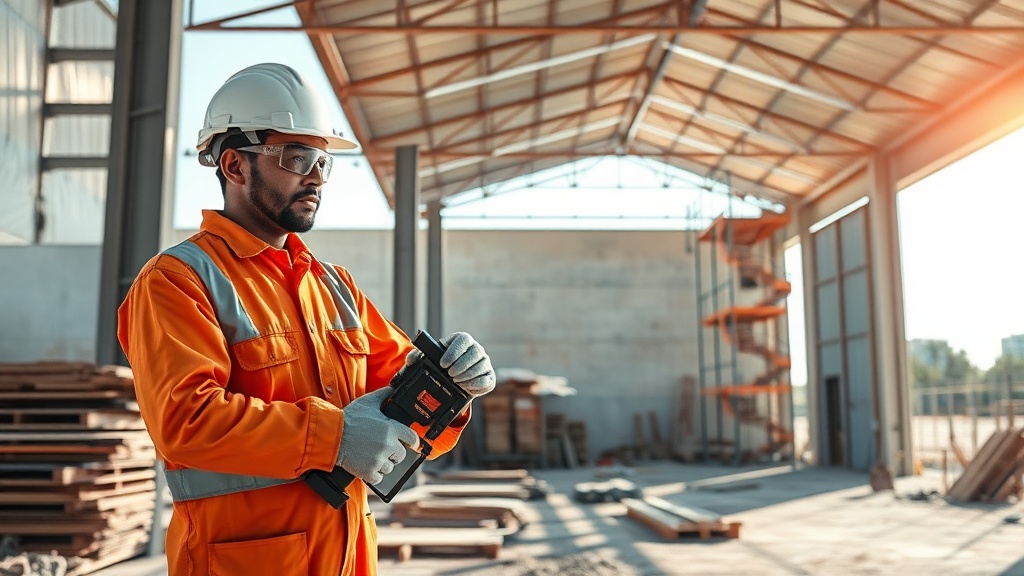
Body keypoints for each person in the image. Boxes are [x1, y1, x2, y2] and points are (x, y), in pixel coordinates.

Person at [117, 62, 496, 576]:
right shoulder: (177, 281)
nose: (316, 176)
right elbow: (186, 421)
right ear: (234, 166)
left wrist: (454, 386)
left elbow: (408, 395)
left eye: (323, 162)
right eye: (297, 158)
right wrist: (334, 437)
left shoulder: (335, 286)